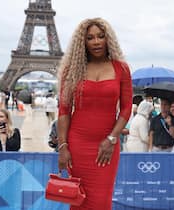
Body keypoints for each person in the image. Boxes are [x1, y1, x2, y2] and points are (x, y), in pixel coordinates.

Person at [56, 18, 132, 209]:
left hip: (107, 146)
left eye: (100, 36)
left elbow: (126, 108)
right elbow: (64, 110)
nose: (96, 41)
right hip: (77, 146)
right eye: (90, 38)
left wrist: (112, 139)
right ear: (83, 42)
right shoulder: (71, 70)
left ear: (108, 39)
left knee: (101, 202)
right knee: (78, 201)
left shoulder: (121, 68)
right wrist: (63, 146)